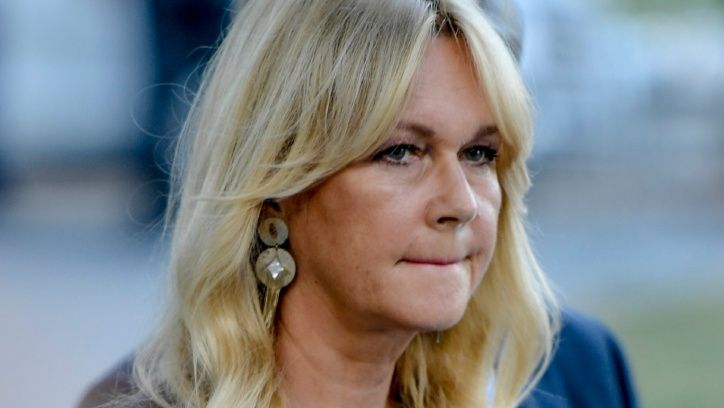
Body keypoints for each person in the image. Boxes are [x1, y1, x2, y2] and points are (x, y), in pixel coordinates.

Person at [79, 0, 637, 407]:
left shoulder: (561, 378)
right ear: (275, 186)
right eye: (400, 152)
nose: (461, 202)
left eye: (479, 153)